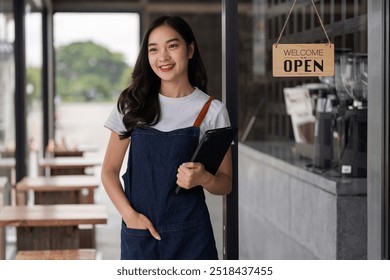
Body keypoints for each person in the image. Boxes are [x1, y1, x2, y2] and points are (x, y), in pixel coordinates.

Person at [101, 15, 232, 260]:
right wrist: (130, 217)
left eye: (172, 46)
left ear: (190, 50)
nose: (163, 57)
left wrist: (204, 177)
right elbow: (109, 171)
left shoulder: (212, 110)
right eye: (154, 49)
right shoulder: (131, 104)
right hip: (140, 235)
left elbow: (225, 183)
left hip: (193, 238)